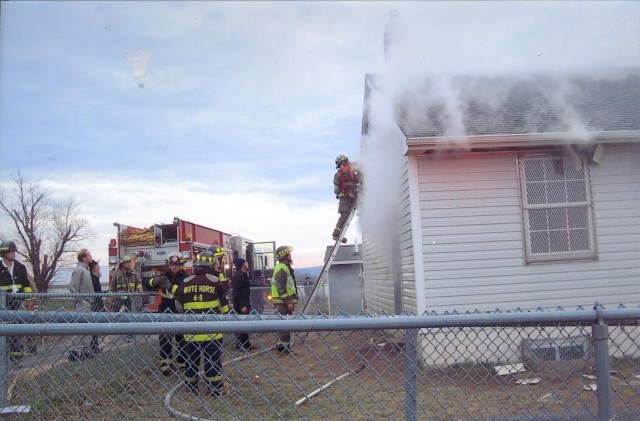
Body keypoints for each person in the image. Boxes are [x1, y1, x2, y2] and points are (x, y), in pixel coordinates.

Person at [175, 250, 224, 396]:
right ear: (212, 264)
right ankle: (214, 390)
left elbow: (178, 305)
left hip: (191, 332)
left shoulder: (185, 282)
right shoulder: (215, 281)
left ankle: (191, 388)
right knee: (213, 363)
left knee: (191, 362)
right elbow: (223, 300)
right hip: (212, 332)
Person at [147, 252, 188, 375]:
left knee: (181, 338)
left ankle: (182, 363)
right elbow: (146, 284)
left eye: (176, 264)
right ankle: (165, 363)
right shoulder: (164, 276)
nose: (174, 267)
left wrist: (170, 287)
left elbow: (184, 292)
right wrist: (154, 281)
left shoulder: (186, 277)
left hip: (180, 312)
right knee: (165, 337)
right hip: (165, 311)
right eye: (171, 264)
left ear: (181, 265)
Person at [0, 240, 34, 361]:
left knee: (15, 332)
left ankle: (16, 359)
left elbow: (26, 285)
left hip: (17, 304)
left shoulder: (20, 267)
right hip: (3, 306)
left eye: (14, 251)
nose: (13, 254)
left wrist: (29, 298)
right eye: (10, 251)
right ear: (4, 253)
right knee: (5, 332)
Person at [68, 248, 95, 360]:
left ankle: (85, 351)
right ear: (84, 257)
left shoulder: (86, 270)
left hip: (88, 303)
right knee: (80, 327)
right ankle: (74, 351)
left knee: (87, 328)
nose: (91, 257)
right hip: (82, 304)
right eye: (89, 255)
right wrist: (81, 300)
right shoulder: (79, 270)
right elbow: (73, 287)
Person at [271, 245, 298, 354]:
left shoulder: (284, 267)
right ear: (285, 256)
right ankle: (283, 349)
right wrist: (288, 301)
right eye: (289, 254)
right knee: (284, 326)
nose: (290, 256)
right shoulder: (282, 268)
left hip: (283, 302)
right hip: (282, 303)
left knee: (285, 325)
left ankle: (284, 347)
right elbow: (280, 286)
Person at [332, 154, 360, 242]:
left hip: (346, 198)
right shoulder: (350, 172)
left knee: (344, 215)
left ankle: (337, 234)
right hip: (350, 197)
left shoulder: (339, 174)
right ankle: (336, 234)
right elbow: (358, 179)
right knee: (345, 216)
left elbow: (336, 189)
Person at [231, 257, 252, 351]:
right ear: (243, 265)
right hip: (241, 305)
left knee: (245, 324)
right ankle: (240, 344)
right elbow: (237, 292)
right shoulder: (238, 276)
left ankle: (246, 344)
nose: (248, 264)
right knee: (240, 324)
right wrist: (242, 305)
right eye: (246, 262)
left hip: (245, 302)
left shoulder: (243, 275)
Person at [206, 244, 230, 315]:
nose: (221, 261)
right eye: (219, 258)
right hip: (215, 311)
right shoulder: (217, 275)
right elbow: (223, 290)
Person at [89, 259, 104, 355]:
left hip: (98, 304)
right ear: (94, 269)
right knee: (94, 327)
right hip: (95, 305)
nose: (99, 268)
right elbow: (96, 293)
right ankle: (93, 347)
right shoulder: (92, 279)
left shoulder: (96, 278)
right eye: (98, 266)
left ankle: (95, 346)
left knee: (97, 328)